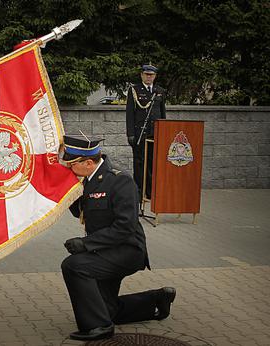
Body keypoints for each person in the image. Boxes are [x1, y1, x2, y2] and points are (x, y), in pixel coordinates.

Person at [59, 134, 175, 341]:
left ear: (87, 162)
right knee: (106, 309)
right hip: (105, 250)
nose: (69, 169)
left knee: (74, 266)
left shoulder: (119, 180)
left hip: (127, 250)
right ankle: (156, 300)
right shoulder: (89, 179)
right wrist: (64, 190)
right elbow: (80, 212)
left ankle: (99, 327)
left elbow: (125, 227)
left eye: (71, 165)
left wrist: (85, 244)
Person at [125, 64, 166, 200]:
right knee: (139, 163)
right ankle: (138, 192)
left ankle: (150, 192)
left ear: (155, 76)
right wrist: (130, 134)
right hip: (139, 133)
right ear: (142, 75)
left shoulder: (159, 91)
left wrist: (163, 132)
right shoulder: (134, 90)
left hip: (154, 133)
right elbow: (130, 114)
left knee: (152, 163)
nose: (149, 77)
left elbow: (162, 114)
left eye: (151, 75)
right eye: (146, 74)